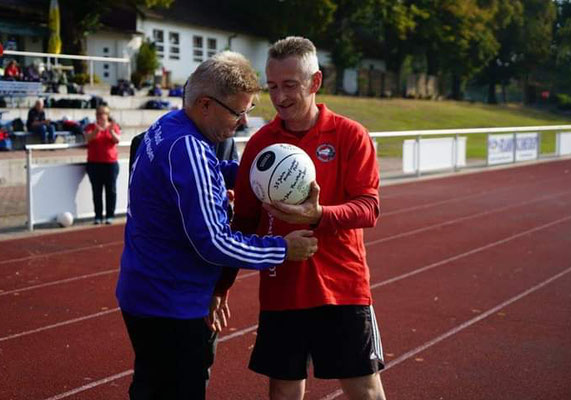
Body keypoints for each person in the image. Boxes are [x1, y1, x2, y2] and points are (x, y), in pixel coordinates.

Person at [116, 50, 318, 400]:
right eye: (238, 112)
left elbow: (202, 171)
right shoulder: (189, 147)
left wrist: (255, 174)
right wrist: (283, 249)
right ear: (206, 105)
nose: (241, 123)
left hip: (144, 292)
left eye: (248, 112)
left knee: (149, 387)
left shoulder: (167, 126)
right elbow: (215, 243)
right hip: (172, 304)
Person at [229, 36, 386, 400]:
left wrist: (319, 215)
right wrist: (221, 287)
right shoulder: (260, 144)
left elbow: (369, 207)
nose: (280, 97)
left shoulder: (350, 136)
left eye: (289, 86)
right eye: (271, 87)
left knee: (364, 390)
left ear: (315, 82)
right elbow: (244, 221)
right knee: (283, 392)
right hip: (282, 289)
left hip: (343, 290)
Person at [83, 105, 120, 225]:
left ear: (107, 115)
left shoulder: (113, 126)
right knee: (96, 191)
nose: (101, 116)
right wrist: (96, 131)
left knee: (111, 190)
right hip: (94, 164)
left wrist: (111, 132)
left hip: (110, 163)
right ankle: (98, 216)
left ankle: (110, 215)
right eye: (99, 114)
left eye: (103, 114)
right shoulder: (91, 127)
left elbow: (117, 140)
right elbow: (88, 138)